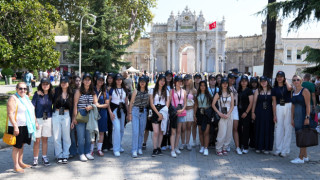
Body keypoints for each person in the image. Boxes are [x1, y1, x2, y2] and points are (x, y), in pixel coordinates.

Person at [7, 82, 37, 173]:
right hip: (17, 126)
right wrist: (15, 126)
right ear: (16, 89)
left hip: (25, 125)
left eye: (24, 88)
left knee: (22, 144)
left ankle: (20, 162)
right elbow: (10, 114)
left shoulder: (26, 98)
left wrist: (35, 122)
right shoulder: (13, 98)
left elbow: (31, 111)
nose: (22, 90)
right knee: (16, 146)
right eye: (20, 88)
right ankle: (16, 166)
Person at [72, 73, 98, 161]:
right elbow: (75, 104)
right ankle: (81, 153)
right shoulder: (78, 91)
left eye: (89, 80)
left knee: (88, 136)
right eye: (86, 79)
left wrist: (91, 106)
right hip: (80, 114)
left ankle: (87, 152)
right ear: (83, 81)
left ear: (91, 81)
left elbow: (96, 103)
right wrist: (74, 118)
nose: (87, 81)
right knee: (80, 136)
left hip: (90, 115)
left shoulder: (93, 91)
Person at [290, 75, 316, 163]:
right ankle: (305, 156)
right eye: (294, 80)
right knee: (300, 135)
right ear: (292, 82)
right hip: (296, 117)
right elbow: (293, 106)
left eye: (297, 79)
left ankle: (300, 157)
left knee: (302, 136)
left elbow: (308, 105)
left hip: (303, 115)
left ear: (301, 80)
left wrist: (307, 117)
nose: (296, 81)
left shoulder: (305, 91)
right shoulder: (293, 91)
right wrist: (292, 118)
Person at [32, 78, 53, 166]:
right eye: (43, 84)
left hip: (48, 119)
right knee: (37, 140)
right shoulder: (36, 95)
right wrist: (35, 121)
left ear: (49, 85)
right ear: (41, 85)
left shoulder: (52, 94)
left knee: (45, 139)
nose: (45, 85)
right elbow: (32, 108)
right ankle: (35, 158)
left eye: (47, 84)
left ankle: (44, 156)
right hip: (39, 119)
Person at [51, 76, 73, 163]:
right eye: (62, 82)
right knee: (57, 136)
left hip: (67, 115)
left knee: (66, 136)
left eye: (65, 82)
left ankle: (65, 155)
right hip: (56, 114)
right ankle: (59, 155)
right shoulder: (56, 91)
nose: (63, 83)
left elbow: (74, 105)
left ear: (68, 83)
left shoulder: (72, 92)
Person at [272, 71, 293, 157]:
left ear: (284, 78)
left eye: (281, 76)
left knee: (287, 128)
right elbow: (273, 102)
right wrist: (274, 115)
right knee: (279, 128)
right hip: (279, 107)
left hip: (288, 106)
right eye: (278, 76)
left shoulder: (287, 86)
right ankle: (278, 149)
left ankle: (285, 150)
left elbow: (290, 88)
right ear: (276, 78)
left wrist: (286, 81)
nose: (279, 78)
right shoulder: (274, 89)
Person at [128, 76, 149, 158]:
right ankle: (134, 150)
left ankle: (139, 147)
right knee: (135, 131)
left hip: (144, 111)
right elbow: (131, 103)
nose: (142, 83)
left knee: (141, 131)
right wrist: (129, 113)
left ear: (146, 82)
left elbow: (148, 103)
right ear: (139, 82)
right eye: (141, 81)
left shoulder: (148, 92)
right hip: (135, 111)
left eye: (144, 81)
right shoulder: (136, 91)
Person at [252, 76, 274, 154]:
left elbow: (274, 103)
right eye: (262, 81)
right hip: (259, 112)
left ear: (267, 82)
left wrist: (274, 114)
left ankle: (267, 147)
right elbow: (254, 103)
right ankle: (258, 146)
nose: (263, 83)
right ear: (260, 83)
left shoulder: (271, 90)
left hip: (269, 112)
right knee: (259, 128)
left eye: (265, 81)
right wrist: (253, 112)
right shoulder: (257, 91)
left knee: (268, 129)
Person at [108, 73, 129, 157]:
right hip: (114, 110)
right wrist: (110, 112)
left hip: (122, 110)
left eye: (120, 79)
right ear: (115, 80)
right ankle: (115, 149)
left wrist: (128, 113)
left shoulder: (125, 89)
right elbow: (108, 102)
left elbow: (126, 102)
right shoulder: (111, 89)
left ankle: (119, 145)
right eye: (117, 79)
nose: (119, 81)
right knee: (116, 128)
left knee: (121, 129)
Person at [212, 77, 234, 156]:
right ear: (221, 84)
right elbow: (213, 104)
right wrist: (219, 113)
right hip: (221, 115)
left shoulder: (230, 93)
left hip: (229, 115)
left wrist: (228, 114)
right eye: (223, 83)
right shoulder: (218, 94)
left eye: (226, 83)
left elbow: (232, 106)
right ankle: (218, 148)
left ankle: (225, 148)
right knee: (222, 133)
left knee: (228, 133)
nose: (225, 85)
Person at [149, 74, 170, 157]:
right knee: (156, 132)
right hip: (155, 111)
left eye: (164, 81)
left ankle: (159, 148)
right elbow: (151, 103)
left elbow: (167, 103)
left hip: (163, 110)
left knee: (161, 131)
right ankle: (154, 149)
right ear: (158, 81)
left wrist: (163, 112)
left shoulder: (167, 91)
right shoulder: (152, 90)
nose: (162, 82)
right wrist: (158, 114)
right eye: (161, 80)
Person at [91, 74, 109, 156]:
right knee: (92, 131)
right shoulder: (92, 89)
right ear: (96, 80)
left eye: (102, 80)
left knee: (101, 132)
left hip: (102, 113)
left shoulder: (105, 91)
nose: (100, 81)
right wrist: (96, 105)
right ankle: (91, 150)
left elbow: (107, 104)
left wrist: (99, 106)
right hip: (93, 112)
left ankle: (99, 149)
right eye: (99, 80)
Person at [169, 75, 187, 156]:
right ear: (175, 82)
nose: (180, 83)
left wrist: (182, 109)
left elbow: (185, 103)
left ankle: (176, 147)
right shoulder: (171, 91)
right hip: (174, 113)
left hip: (181, 112)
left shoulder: (184, 91)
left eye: (181, 81)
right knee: (173, 131)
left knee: (179, 131)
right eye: (178, 81)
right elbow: (169, 102)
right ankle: (172, 149)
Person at [194, 80, 212, 156]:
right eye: (201, 85)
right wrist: (194, 115)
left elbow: (212, 105)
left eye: (204, 85)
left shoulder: (209, 95)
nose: (202, 87)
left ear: (206, 86)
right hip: (199, 113)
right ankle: (202, 146)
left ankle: (206, 148)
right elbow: (195, 105)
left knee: (206, 132)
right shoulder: (197, 95)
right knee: (200, 131)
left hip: (207, 114)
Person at [237, 75, 253, 154]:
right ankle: (240, 145)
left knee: (246, 129)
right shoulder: (239, 90)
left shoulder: (249, 90)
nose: (243, 82)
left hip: (246, 112)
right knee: (239, 129)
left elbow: (251, 102)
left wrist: (246, 112)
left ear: (247, 82)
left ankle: (246, 146)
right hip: (239, 111)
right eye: (242, 81)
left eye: (245, 81)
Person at [160, 70, 173, 151]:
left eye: (170, 76)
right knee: (163, 126)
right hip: (163, 108)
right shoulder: (162, 86)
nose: (168, 78)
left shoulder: (173, 87)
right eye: (167, 76)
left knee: (170, 126)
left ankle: (170, 143)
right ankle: (163, 143)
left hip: (171, 108)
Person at [228, 73, 242, 154]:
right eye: (231, 78)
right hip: (228, 108)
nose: (233, 80)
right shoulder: (224, 87)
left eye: (234, 79)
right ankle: (227, 145)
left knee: (235, 128)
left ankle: (237, 147)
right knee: (228, 128)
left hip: (235, 108)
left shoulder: (235, 87)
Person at [182, 74, 196, 151]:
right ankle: (183, 143)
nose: (186, 81)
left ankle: (187, 143)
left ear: (191, 80)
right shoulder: (181, 89)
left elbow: (196, 102)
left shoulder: (194, 90)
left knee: (188, 127)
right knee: (183, 128)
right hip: (183, 110)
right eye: (185, 80)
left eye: (188, 80)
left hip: (190, 110)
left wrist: (192, 108)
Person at [69, 75, 81, 158]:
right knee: (72, 132)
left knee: (79, 132)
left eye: (79, 80)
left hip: (81, 113)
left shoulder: (83, 90)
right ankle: (73, 150)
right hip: (71, 112)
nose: (78, 82)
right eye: (76, 80)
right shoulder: (71, 90)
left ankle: (79, 149)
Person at [102, 73, 114, 151]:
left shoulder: (115, 87)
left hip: (112, 107)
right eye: (108, 78)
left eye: (111, 78)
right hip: (104, 107)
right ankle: (104, 144)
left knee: (110, 127)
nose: (110, 79)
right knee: (104, 127)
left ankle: (110, 143)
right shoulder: (104, 87)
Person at [208, 74, 219, 148]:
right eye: (211, 80)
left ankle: (215, 141)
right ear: (209, 81)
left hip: (216, 109)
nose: (212, 81)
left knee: (216, 126)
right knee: (209, 126)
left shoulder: (218, 89)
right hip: (209, 109)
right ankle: (209, 141)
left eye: (214, 80)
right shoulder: (207, 89)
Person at [249, 77, 259, 148]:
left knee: (256, 128)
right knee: (250, 128)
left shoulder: (259, 90)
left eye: (255, 82)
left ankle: (255, 142)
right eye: (252, 82)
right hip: (249, 110)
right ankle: (251, 142)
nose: (254, 83)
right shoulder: (249, 90)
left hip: (257, 110)